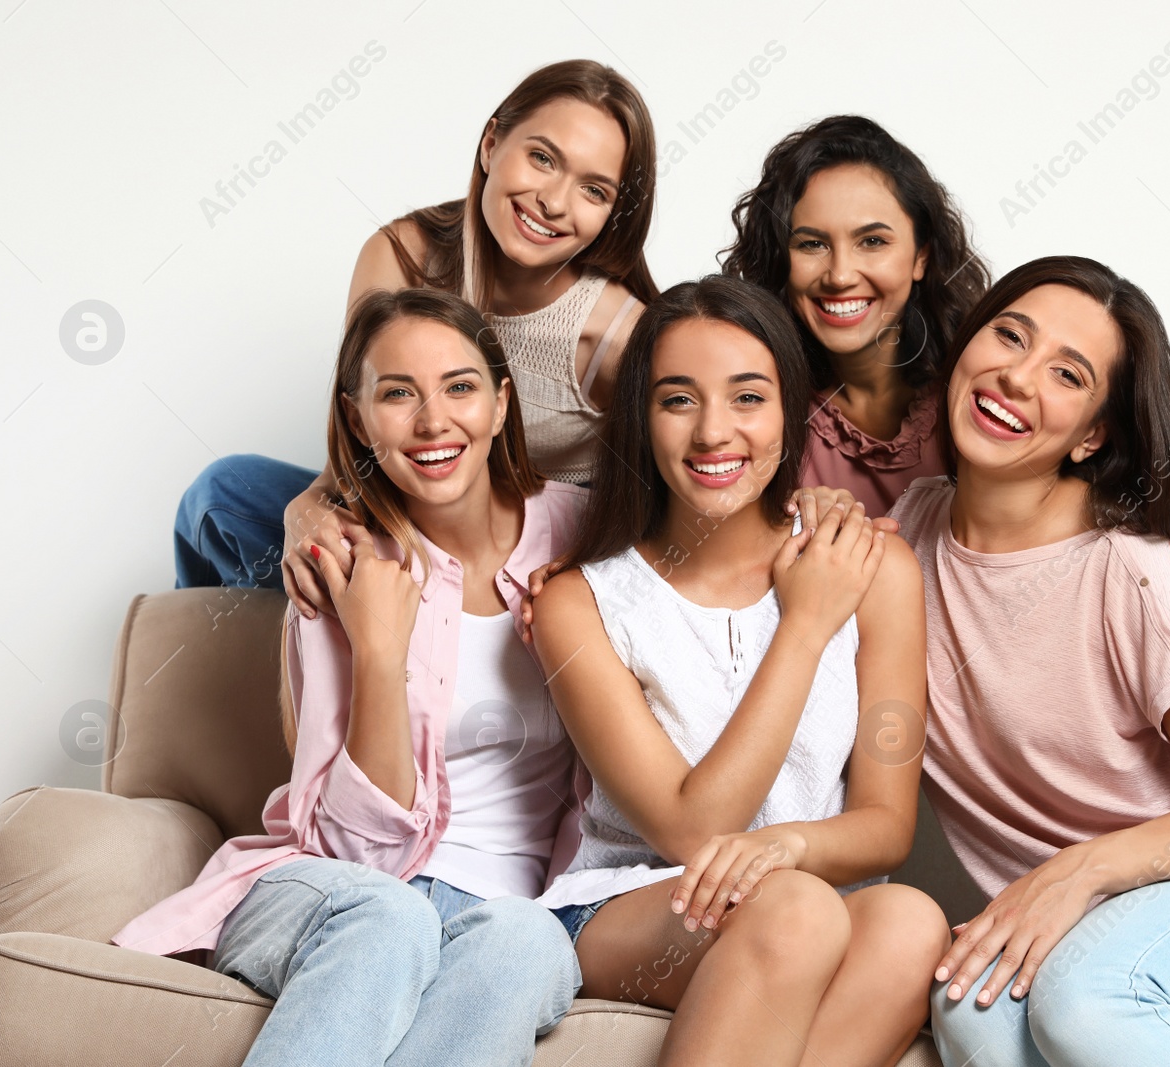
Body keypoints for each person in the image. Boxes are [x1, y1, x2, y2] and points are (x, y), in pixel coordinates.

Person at [113, 288, 590, 1067]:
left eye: (460, 387)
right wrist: (376, 648)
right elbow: (350, 851)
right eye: (398, 394)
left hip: (509, 904)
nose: (434, 421)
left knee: (532, 941)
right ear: (358, 417)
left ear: (503, 404)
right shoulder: (340, 563)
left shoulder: (581, 532)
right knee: (388, 916)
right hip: (334, 887)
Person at [894, 256, 1170, 1067]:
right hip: (1070, 909)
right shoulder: (907, 530)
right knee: (969, 1005)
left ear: (1094, 433)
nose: (1017, 377)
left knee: (1085, 1002)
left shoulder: (1136, 573)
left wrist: (1081, 871)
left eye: (1066, 373)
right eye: (1008, 335)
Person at [528, 275, 950, 1067]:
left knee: (911, 922)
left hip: (809, 896)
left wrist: (786, 847)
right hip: (637, 906)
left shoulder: (876, 567)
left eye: (748, 398)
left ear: (791, 410)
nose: (715, 432)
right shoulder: (578, 604)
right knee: (793, 909)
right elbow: (693, 831)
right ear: (642, 419)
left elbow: (887, 823)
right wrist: (806, 622)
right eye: (678, 400)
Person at [174, 59, 656, 614]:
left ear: (613, 213)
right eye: (542, 158)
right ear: (492, 143)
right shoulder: (402, 255)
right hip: (403, 515)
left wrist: (574, 575)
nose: (553, 201)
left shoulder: (617, 336)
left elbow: (660, 506)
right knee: (220, 496)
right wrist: (306, 507)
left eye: (593, 190)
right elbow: (358, 441)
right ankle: (281, 652)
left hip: (526, 556)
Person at [722, 116, 1170, 609]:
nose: (840, 274)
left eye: (872, 241)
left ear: (921, 255)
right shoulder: (752, 411)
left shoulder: (989, 393)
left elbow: (1087, 520)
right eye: (812, 243)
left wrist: (1166, 575)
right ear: (781, 260)